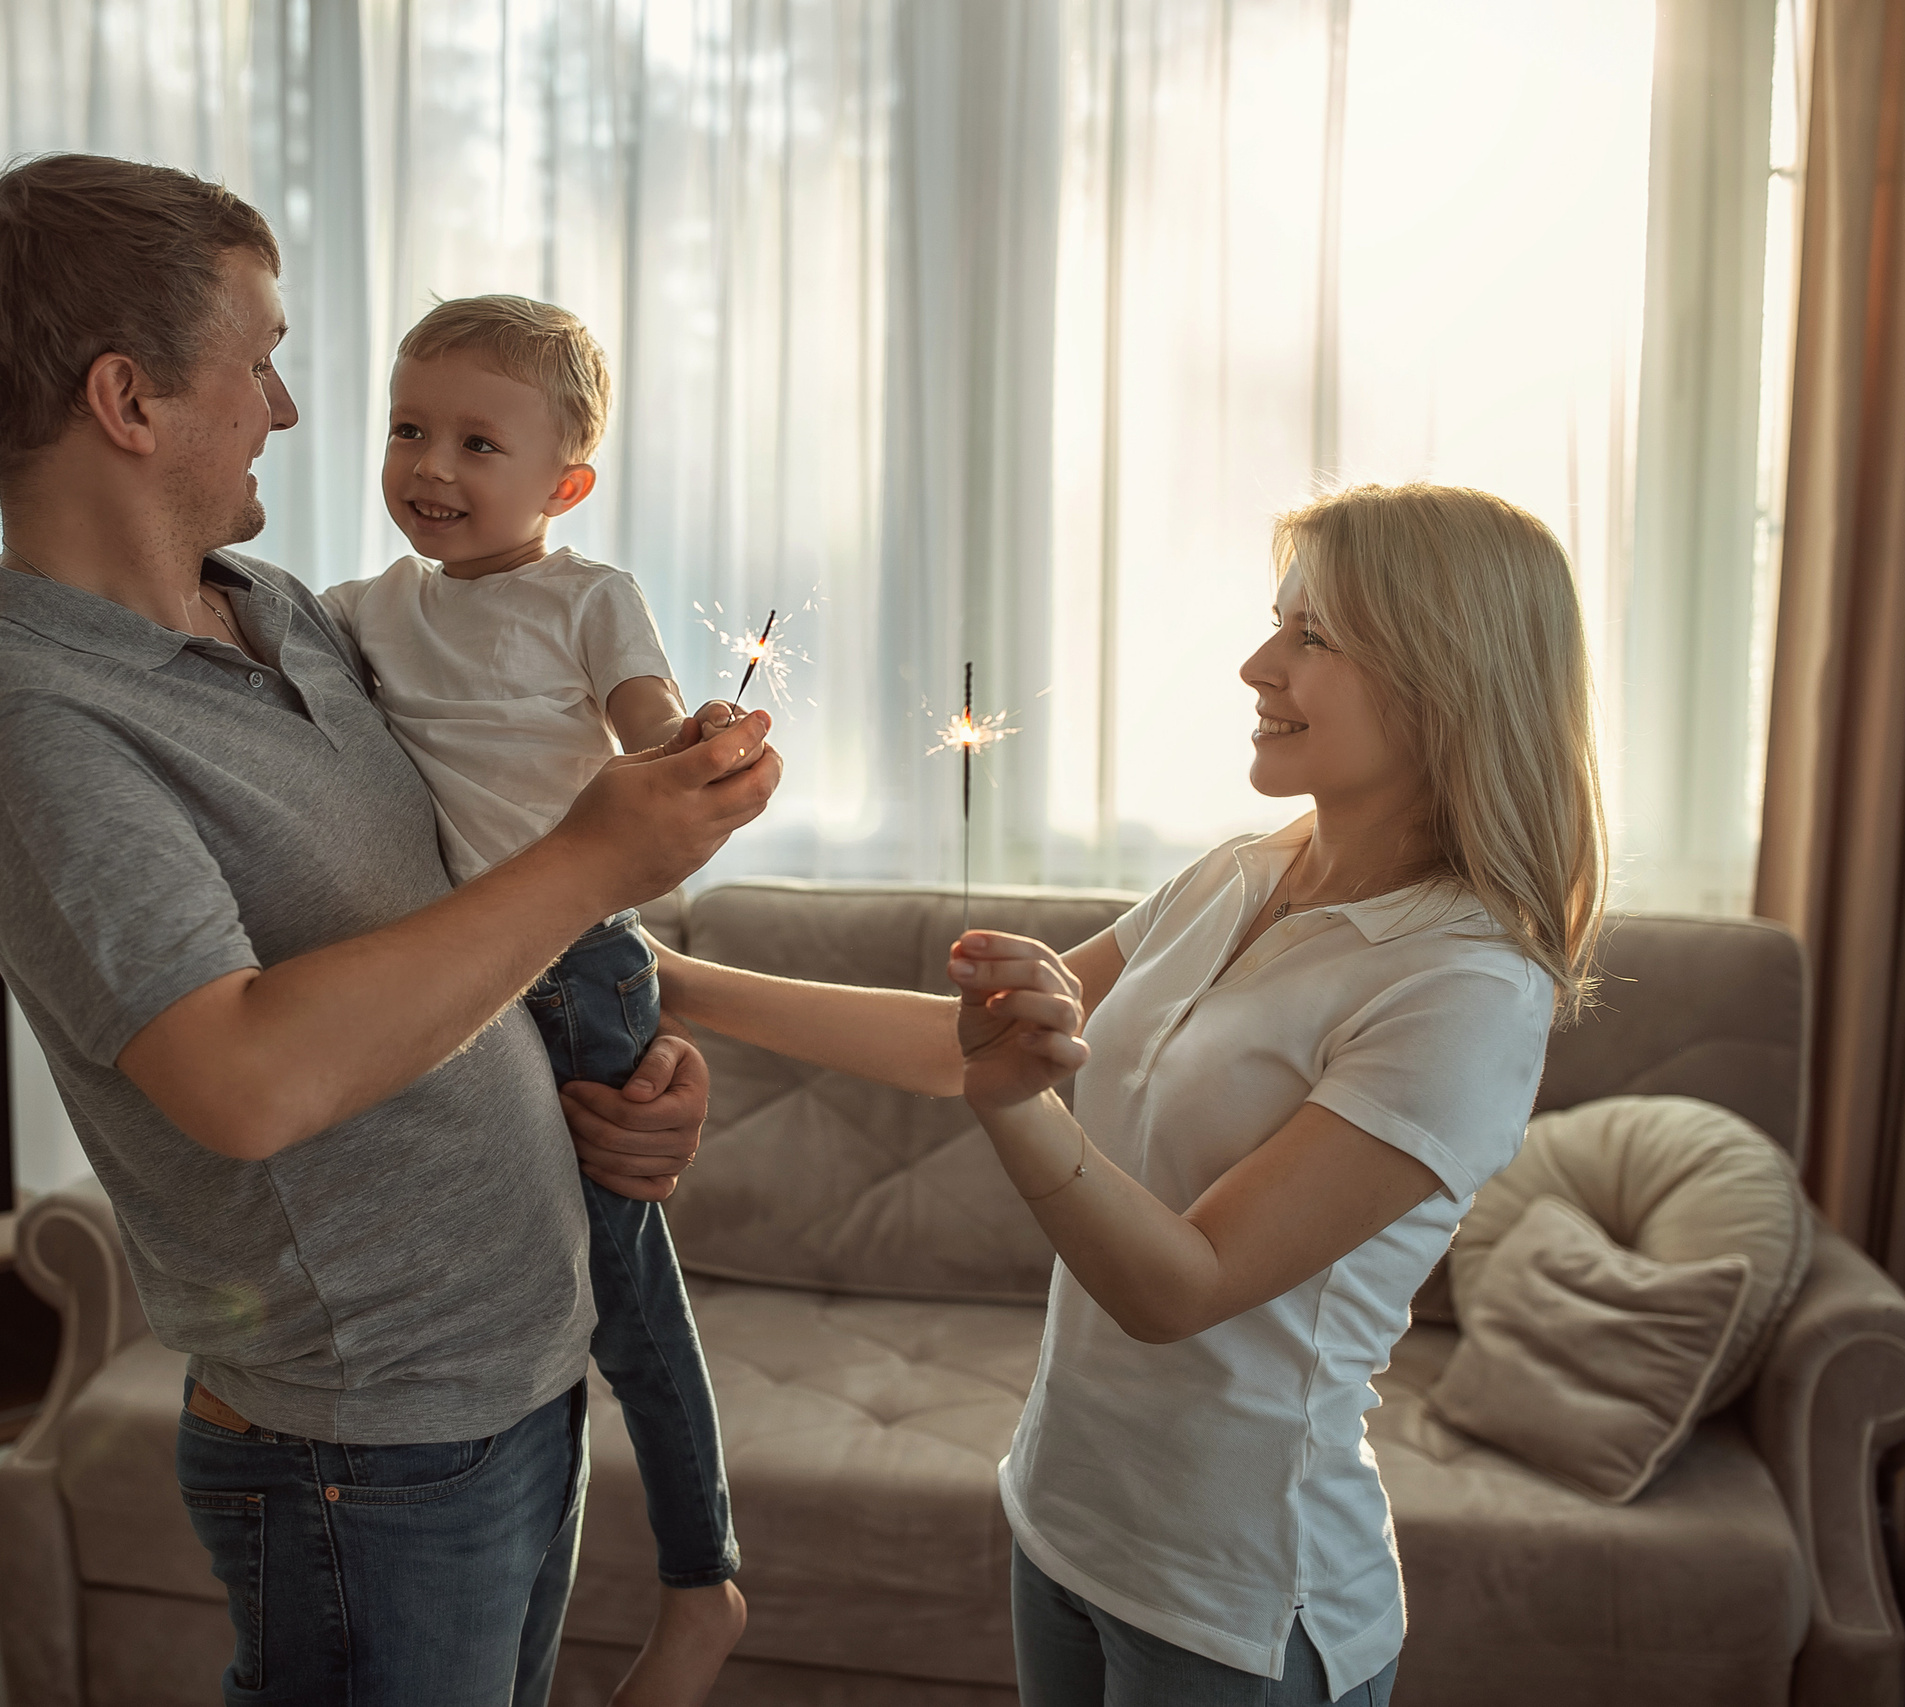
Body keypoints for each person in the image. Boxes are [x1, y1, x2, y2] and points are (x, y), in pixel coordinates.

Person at [0, 153, 780, 1707]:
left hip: (521, 1369)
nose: (289, 407)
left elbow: (450, 929)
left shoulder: (290, 616)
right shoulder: (38, 723)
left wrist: (619, 1071)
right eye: (259, 361)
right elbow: (242, 1075)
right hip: (367, 1449)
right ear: (129, 399)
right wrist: (593, 858)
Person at [652, 483, 1604, 1705]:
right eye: (1277, 622)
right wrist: (672, 979)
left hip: (1239, 1609)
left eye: (1312, 636)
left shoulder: (1463, 987)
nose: (1257, 666)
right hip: (1063, 1526)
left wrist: (1017, 1104)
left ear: (1445, 678)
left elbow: (1180, 1288)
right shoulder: (1241, 874)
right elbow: (962, 1047)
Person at [316, 293, 746, 1704]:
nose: (430, 465)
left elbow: (650, 731)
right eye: (408, 429)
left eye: (477, 443)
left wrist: (698, 744)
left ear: (565, 485)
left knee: (625, 1288)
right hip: (456, 966)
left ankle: (703, 1575)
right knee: (513, 1262)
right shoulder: (364, 609)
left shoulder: (588, 596)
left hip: (576, 964)